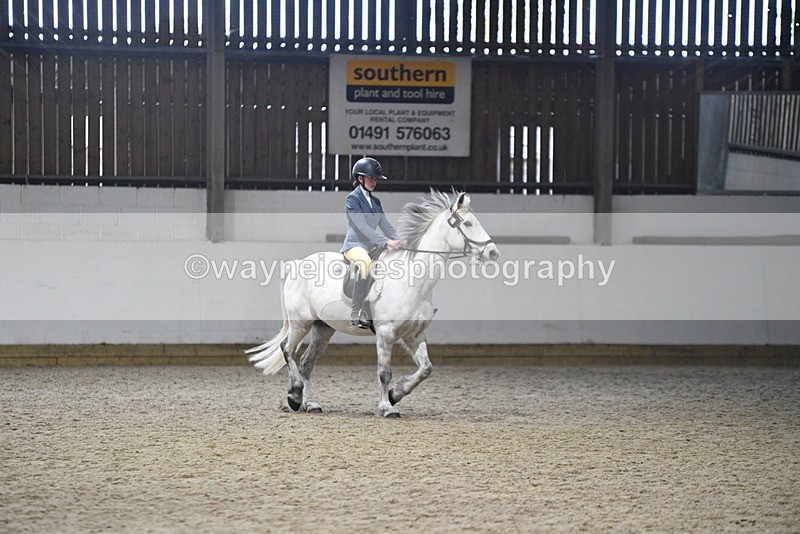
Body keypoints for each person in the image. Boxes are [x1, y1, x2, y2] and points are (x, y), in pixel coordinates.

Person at [340, 157, 403, 329]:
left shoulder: (376, 201)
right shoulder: (352, 200)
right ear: (360, 178)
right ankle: (356, 312)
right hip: (354, 246)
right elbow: (362, 227)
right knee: (366, 263)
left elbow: (385, 224)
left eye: (375, 179)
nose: (374, 182)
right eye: (371, 178)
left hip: (372, 246)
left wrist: (401, 240)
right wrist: (386, 241)